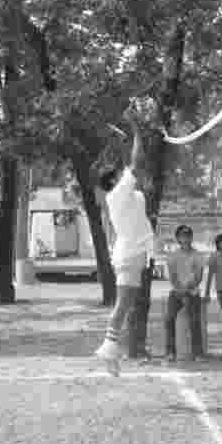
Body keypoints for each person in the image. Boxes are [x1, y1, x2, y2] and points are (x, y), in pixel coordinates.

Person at [93, 105, 155, 376]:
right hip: (130, 253)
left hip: (132, 252)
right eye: (119, 172)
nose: (123, 171)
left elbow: (131, 164)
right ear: (114, 180)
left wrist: (122, 139)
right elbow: (137, 160)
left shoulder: (123, 194)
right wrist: (135, 128)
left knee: (126, 303)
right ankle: (108, 348)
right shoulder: (118, 193)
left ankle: (111, 349)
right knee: (124, 303)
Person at [164, 225, 207, 362]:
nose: (186, 238)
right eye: (182, 236)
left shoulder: (198, 255)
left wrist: (188, 289)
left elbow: (199, 277)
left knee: (195, 320)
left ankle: (198, 353)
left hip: (192, 292)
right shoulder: (173, 256)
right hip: (176, 292)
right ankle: (170, 352)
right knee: (169, 319)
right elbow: (173, 277)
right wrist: (180, 291)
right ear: (178, 239)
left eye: (188, 235)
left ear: (191, 237)